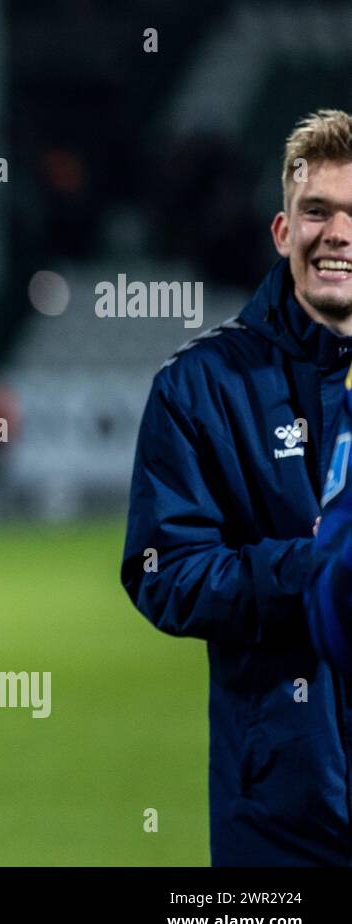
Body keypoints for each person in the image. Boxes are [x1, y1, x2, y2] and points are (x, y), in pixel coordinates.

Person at [122, 109, 352, 866]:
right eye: (318, 211)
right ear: (284, 232)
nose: (338, 234)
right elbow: (165, 573)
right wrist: (319, 569)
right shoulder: (201, 388)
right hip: (283, 809)